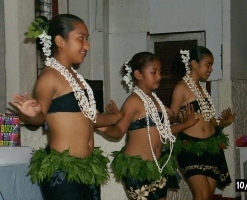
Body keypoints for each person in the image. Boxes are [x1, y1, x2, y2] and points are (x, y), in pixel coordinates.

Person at [10, 14, 123, 200]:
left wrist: (117, 117)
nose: (87, 45)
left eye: (87, 39)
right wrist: (32, 114)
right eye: (81, 39)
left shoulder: (76, 78)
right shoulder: (50, 77)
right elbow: (38, 119)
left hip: (87, 168)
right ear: (60, 41)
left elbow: (90, 118)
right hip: (63, 173)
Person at [100, 52, 199, 200]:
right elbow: (119, 131)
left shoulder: (155, 100)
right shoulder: (133, 101)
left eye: (160, 72)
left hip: (157, 166)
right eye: (153, 72)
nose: (158, 76)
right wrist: (105, 127)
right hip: (137, 169)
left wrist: (185, 124)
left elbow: (165, 132)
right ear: (138, 74)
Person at [170, 46, 236, 200]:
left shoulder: (202, 88)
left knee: (208, 195)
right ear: (194, 63)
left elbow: (207, 120)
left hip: (211, 147)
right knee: (203, 193)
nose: (211, 69)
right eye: (208, 64)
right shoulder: (181, 88)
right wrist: (182, 119)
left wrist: (223, 122)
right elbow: (171, 117)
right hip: (190, 148)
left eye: (211, 65)